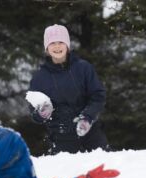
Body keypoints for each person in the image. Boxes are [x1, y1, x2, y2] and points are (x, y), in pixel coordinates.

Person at [28, 24, 109, 155]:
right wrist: (41, 114)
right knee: (67, 174)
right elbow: (34, 112)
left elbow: (98, 95)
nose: (57, 46)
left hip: (91, 133)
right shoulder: (39, 78)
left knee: (105, 169)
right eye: (52, 43)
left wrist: (87, 117)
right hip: (61, 138)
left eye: (61, 42)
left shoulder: (83, 68)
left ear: (67, 45)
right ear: (47, 48)